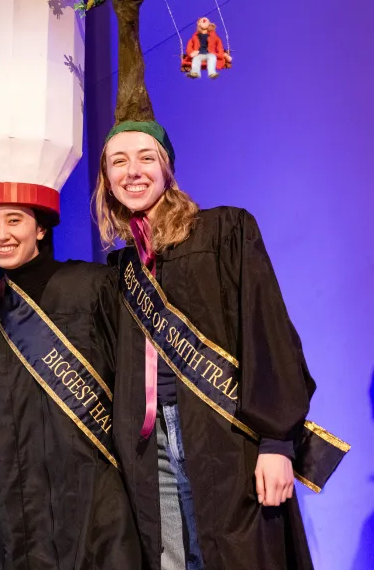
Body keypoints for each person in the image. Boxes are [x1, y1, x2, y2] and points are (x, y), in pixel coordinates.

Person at [96, 29, 347, 568]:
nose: (132, 171)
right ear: (106, 177)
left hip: (226, 436)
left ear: (167, 167)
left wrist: (277, 442)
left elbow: (266, 329)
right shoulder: (119, 269)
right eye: (118, 161)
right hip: (148, 444)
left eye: (145, 157)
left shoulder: (225, 230)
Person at [0, 193, 141, 570]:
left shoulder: (94, 286)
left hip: (97, 500)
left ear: (42, 227)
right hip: (21, 506)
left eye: (14, 220)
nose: (1, 234)